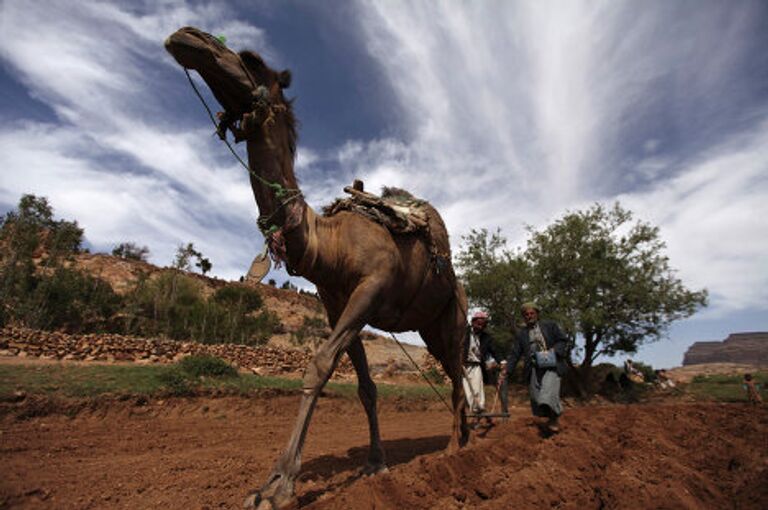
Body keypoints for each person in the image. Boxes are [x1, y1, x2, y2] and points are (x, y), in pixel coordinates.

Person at [506, 302, 569, 433]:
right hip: (534, 367)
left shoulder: (550, 326)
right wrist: (507, 370)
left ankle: (554, 419)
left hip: (552, 364)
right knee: (536, 398)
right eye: (526, 314)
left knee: (547, 393)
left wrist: (554, 350)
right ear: (524, 317)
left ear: (537, 314)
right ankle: (550, 416)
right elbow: (515, 354)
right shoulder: (522, 334)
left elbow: (562, 340)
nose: (529, 316)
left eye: (531, 313)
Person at [462, 310, 500, 418]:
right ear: (473, 322)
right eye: (478, 323)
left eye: (483, 324)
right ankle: (473, 409)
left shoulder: (486, 337)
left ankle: (479, 409)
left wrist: (502, 361)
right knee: (467, 389)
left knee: (477, 387)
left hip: (477, 365)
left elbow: (495, 351)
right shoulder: (463, 333)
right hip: (464, 365)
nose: (480, 326)